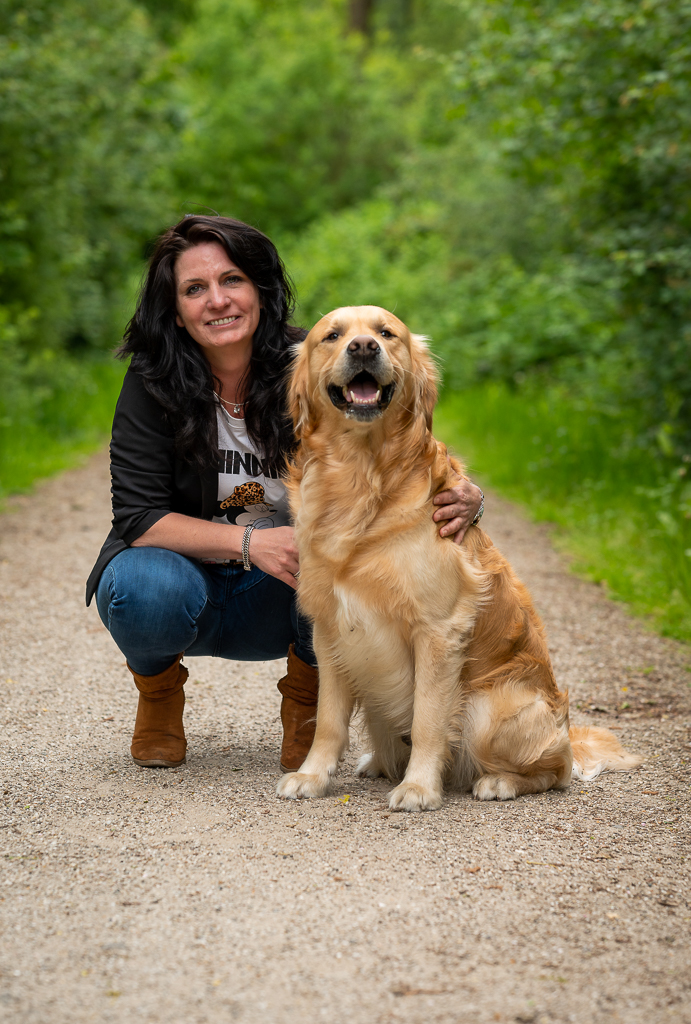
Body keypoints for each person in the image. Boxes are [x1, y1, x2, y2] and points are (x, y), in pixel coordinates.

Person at [86, 215, 484, 772]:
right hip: (187, 576)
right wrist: (252, 543)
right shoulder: (152, 379)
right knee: (139, 586)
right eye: (194, 289)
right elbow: (138, 517)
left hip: (283, 590)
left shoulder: (315, 360)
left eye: (232, 280)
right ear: (175, 310)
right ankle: (158, 697)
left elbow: (396, 441)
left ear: (259, 289)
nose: (217, 300)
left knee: (335, 560)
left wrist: (465, 494)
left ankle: (306, 706)